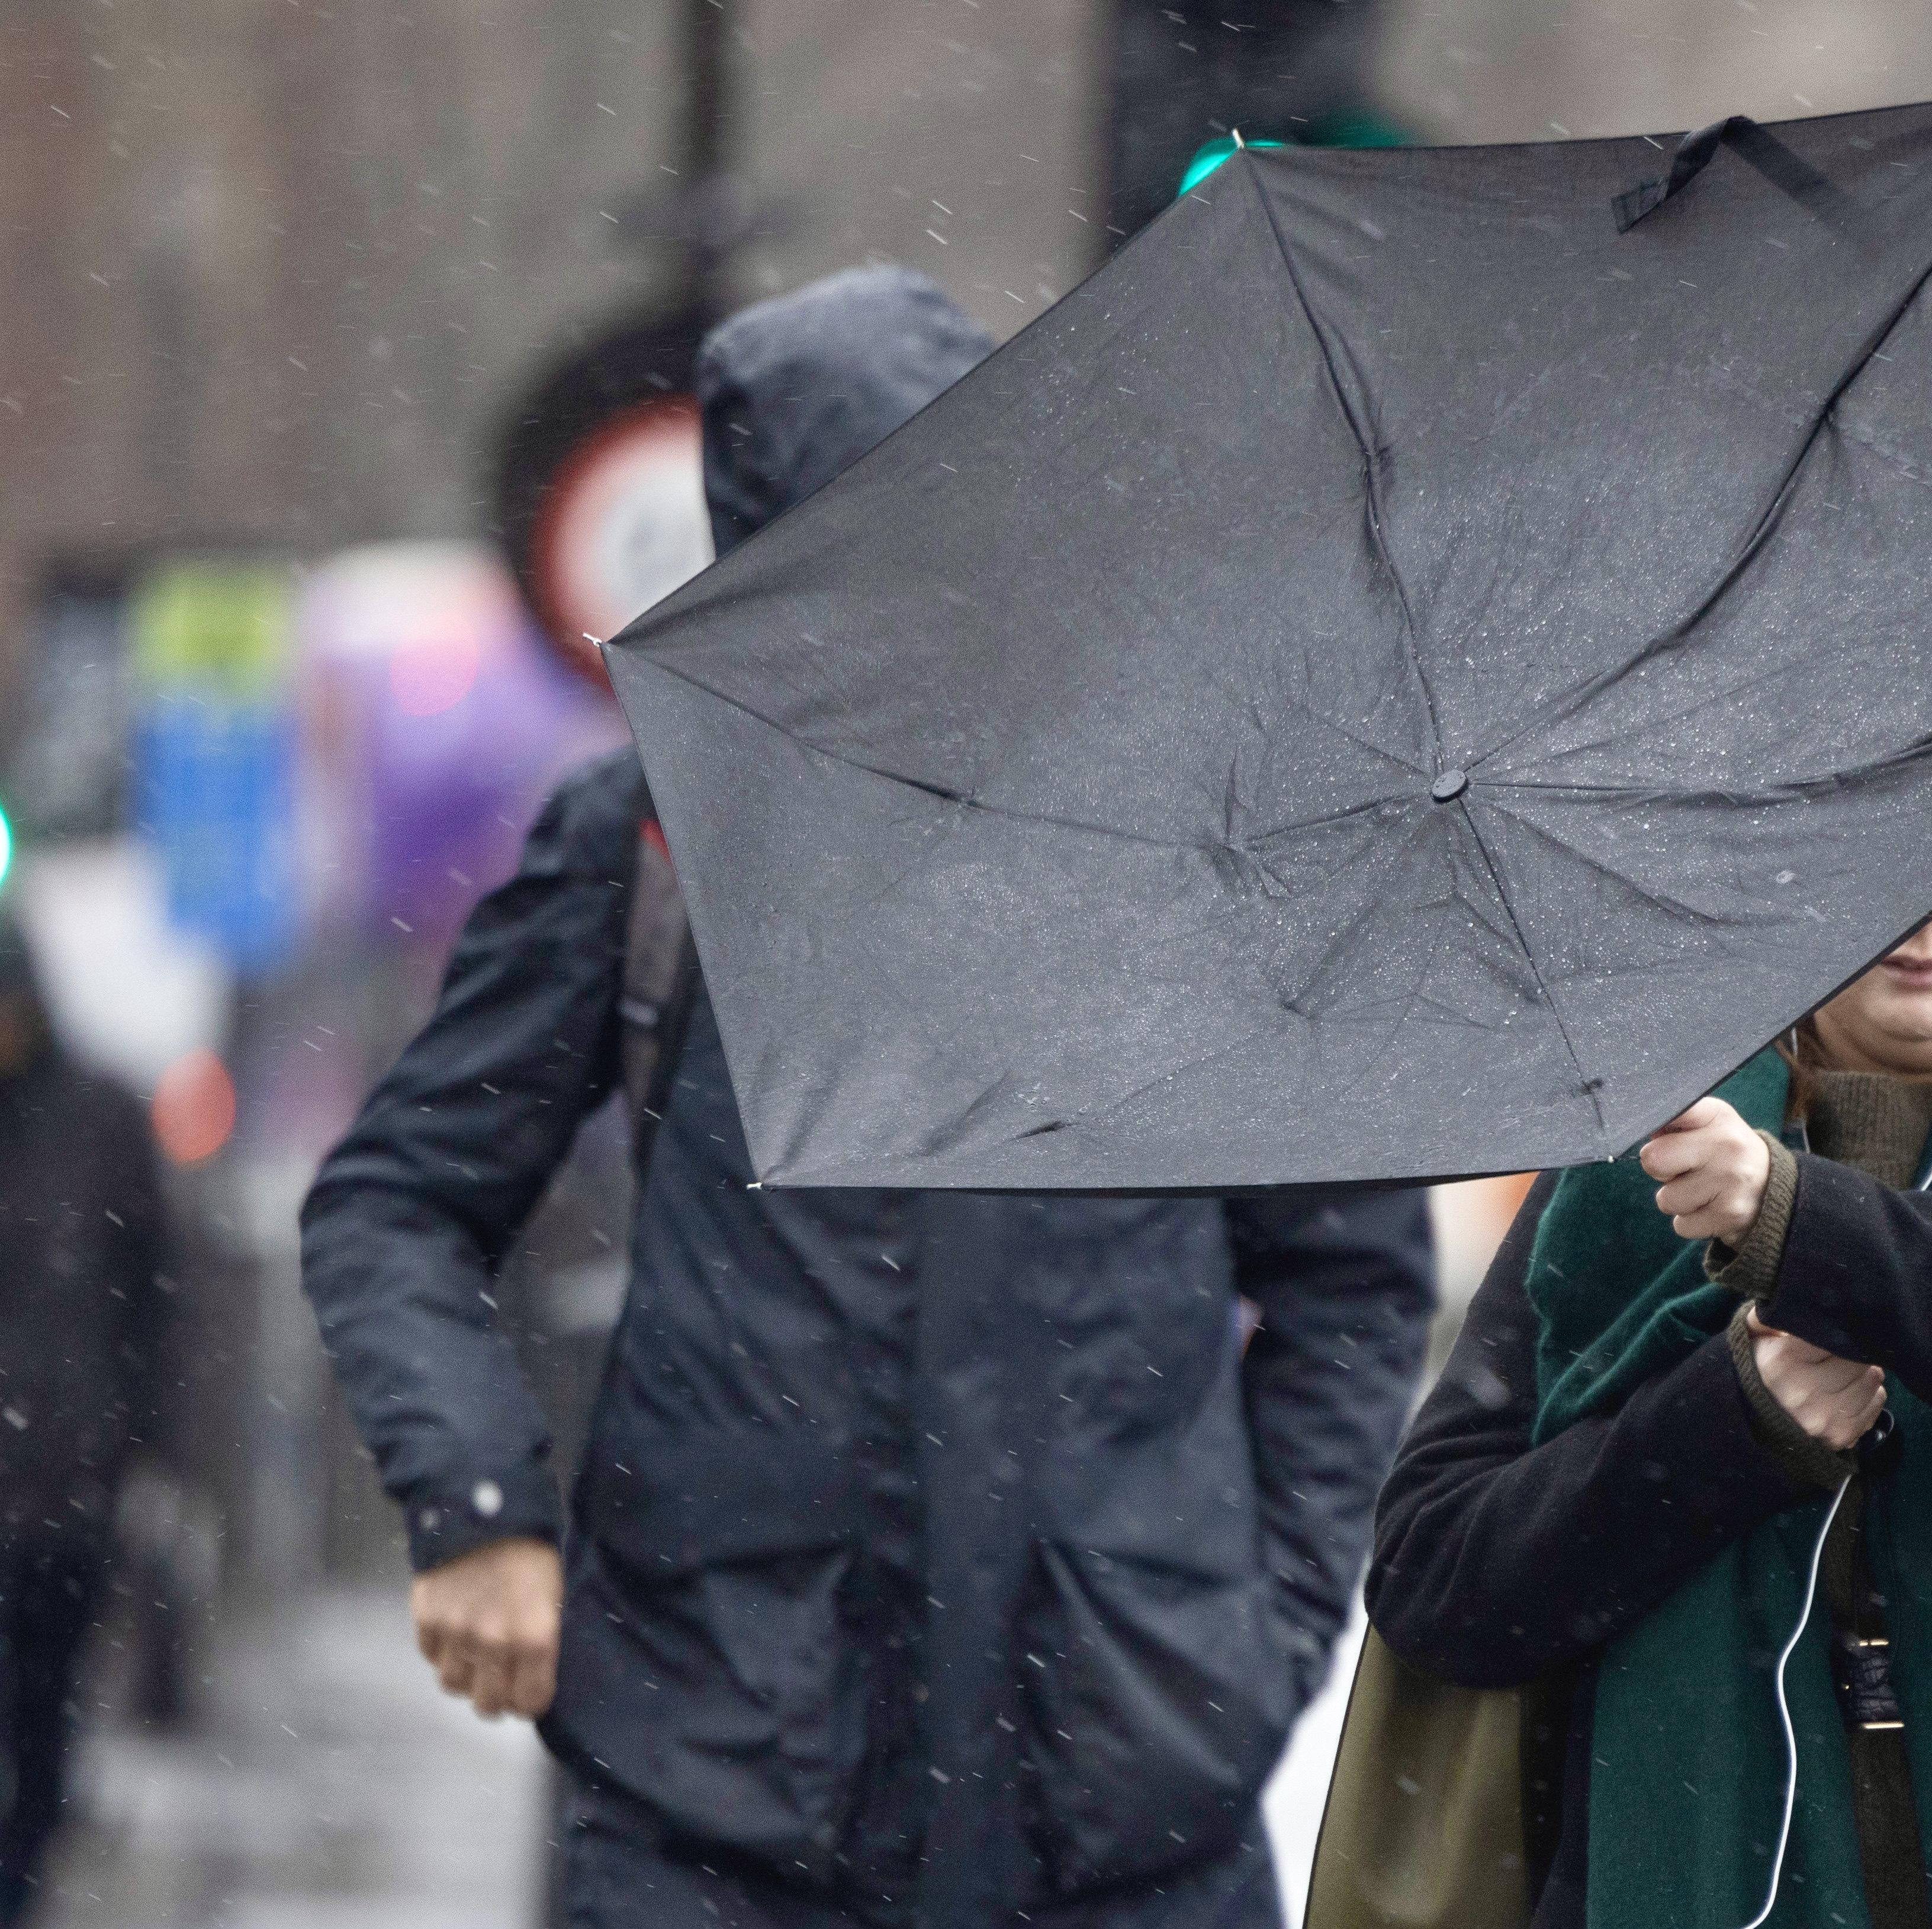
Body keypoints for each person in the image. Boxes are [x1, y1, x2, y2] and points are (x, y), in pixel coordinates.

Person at [300, 265, 1435, 1929]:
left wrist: (1246, 1641)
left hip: (1119, 1814)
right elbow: (395, 1201)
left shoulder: (1194, 855)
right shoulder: (652, 841)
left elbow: (1348, 1271)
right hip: (724, 1807)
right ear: (772, 551)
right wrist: (477, 1505)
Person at [1367, 761, 1932, 1929]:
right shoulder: (1641, 1156)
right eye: (1890, 848)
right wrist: (1728, 1427)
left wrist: (1805, 1227)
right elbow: (1439, 1578)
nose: (1931, 907)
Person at [0, 914, 169, 1927]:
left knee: (45, 1705)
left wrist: (143, 1441)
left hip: (64, 1479)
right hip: (51, 1461)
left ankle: (23, 1880)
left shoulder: (100, 1116)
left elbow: (152, 1293)